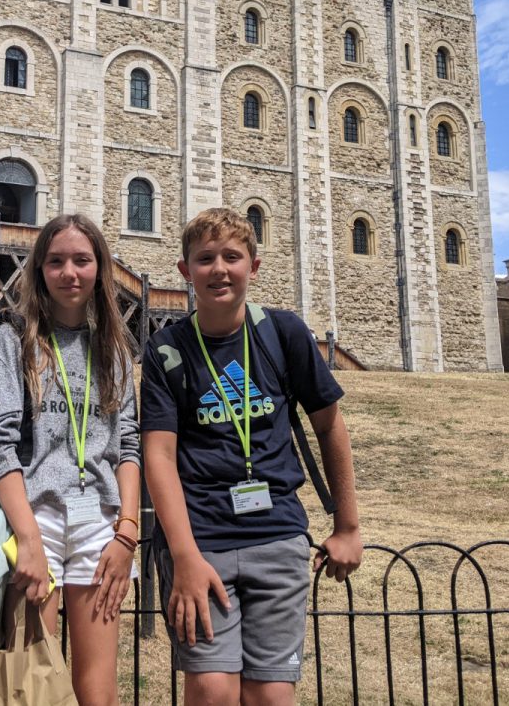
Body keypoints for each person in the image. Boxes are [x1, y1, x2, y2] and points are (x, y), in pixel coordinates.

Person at [140, 207, 362, 706]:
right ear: (185, 271)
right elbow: (159, 457)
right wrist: (184, 557)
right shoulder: (166, 350)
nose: (219, 269)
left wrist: (348, 526)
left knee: (271, 696)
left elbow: (329, 425)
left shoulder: (283, 333)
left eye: (232, 257)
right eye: (205, 259)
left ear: (254, 267)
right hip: (202, 541)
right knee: (212, 690)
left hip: (277, 534)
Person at [0, 214, 140, 706]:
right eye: (56, 261)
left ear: (100, 268)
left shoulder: (113, 347)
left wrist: (128, 532)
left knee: (99, 691)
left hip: (99, 524)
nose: (69, 272)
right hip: (35, 518)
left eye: (82, 260)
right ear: (39, 270)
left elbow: (127, 444)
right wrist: (27, 540)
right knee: (33, 687)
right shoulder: (13, 339)